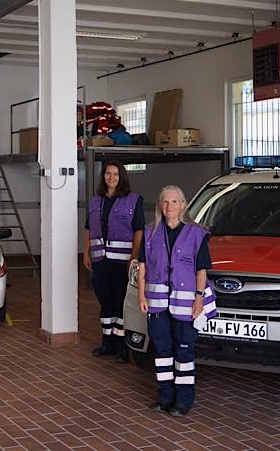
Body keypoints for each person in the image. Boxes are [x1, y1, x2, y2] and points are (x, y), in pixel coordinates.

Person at [137, 185, 217, 416]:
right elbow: (142, 266)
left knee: (183, 353)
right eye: (164, 201)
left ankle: (183, 401)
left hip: (186, 305)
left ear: (183, 205)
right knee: (162, 351)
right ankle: (165, 398)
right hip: (157, 303)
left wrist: (199, 300)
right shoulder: (150, 232)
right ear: (160, 206)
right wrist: (141, 294)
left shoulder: (197, 234)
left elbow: (201, 270)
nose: (169, 206)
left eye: (174, 202)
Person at [83, 160, 144, 363]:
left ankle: (121, 347)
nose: (111, 177)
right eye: (108, 174)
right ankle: (107, 343)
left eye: (115, 174)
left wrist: (133, 257)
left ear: (121, 177)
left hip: (122, 262)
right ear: (103, 177)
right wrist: (86, 253)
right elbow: (89, 230)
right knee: (105, 301)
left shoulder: (134, 200)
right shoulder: (95, 201)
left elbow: (139, 231)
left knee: (120, 303)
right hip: (100, 261)